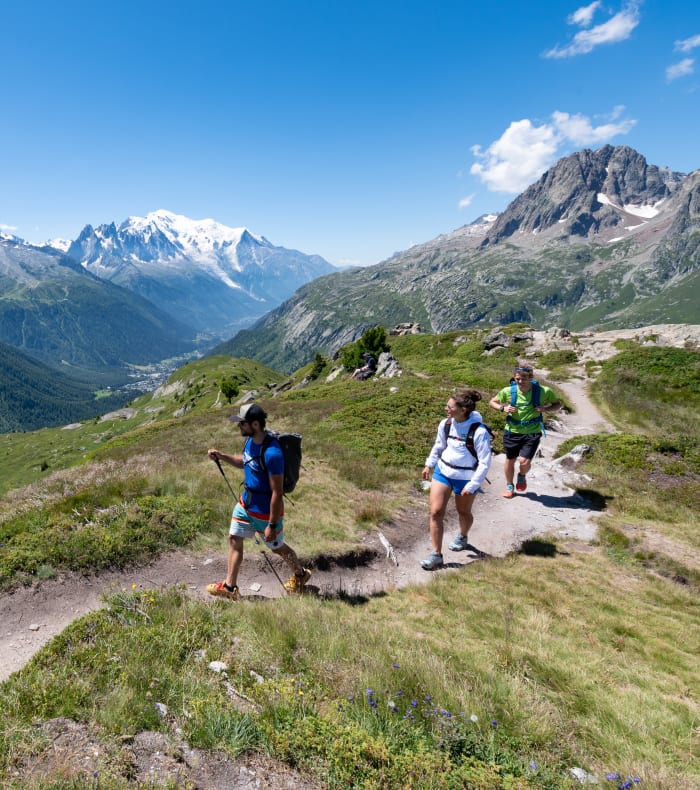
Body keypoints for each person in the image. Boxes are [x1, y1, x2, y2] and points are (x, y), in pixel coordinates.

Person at [206, 403, 311, 600]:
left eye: (242, 423)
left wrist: (271, 524)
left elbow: (277, 493)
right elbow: (244, 461)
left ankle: (300, 574)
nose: (239, 427)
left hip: (265, 512)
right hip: (246, 505)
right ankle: (229, 588)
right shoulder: (250, 442)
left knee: (278, 548)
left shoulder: (272, 453)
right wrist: (222, 456)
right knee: (234, 539)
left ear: (255, 424)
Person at [420, 389, 492, 570]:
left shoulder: (479, 431)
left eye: (450, 407)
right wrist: (429, 464)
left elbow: (484, 462)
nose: (446, 409)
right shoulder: (446, 424)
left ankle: (463, 535)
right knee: (436, 512)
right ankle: (436, 554)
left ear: (463, 410)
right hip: (443, 472)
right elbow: (439, 446)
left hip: (466, 478)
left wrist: (473, 484)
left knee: (463, 512)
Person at [489, 364, 561, 499]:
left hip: (532, 432)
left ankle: (521, 476)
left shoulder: (544, 391)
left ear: (531, 377)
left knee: (524, 461)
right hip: (512, 431)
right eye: (517, 379)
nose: (520, 382)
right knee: (510, 460)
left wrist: (545, 408)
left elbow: (557, 404)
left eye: (524, 379)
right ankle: (509, 486)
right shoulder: (508, 391)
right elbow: (493, 401)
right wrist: (502, 408)